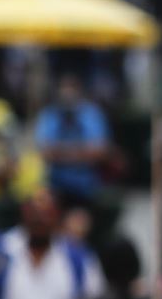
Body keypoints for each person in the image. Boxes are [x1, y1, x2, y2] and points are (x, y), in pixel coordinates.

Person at [34, 75, 112, 212]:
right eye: (64, 87)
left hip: (86, 188)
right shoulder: (48, 114)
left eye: (72, 87)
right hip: (55, 186)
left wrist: (60, 152)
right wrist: (82, 152)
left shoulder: (92, 114)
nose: (68, 92)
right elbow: (44, 152)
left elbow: (100, 152)